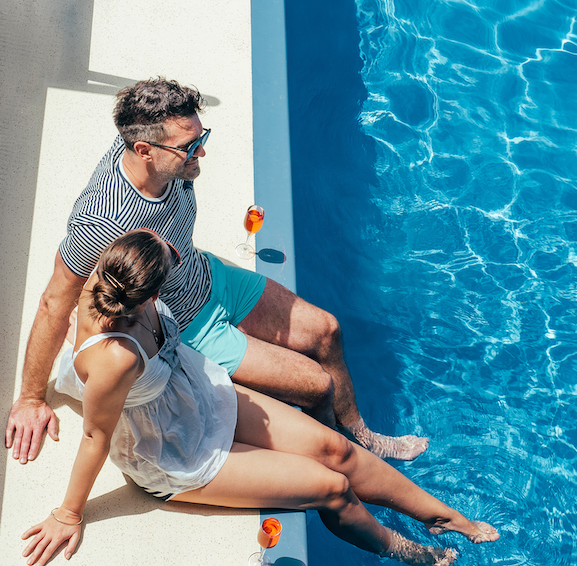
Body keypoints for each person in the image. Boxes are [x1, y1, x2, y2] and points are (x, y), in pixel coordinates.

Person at [6, 77, 427, 465]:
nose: (201, 152)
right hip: (187, 326)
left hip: (208, 276)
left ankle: (361, 435)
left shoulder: (164, 157)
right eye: (190, 147)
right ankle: (340, 454)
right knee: (317, 385)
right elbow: (53, 302)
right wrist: (28, 398)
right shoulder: (102, 225)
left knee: (327, 330)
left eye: (200, 137)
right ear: (142, 150)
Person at [20, 229, 498, 566]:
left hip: (194, 392)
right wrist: (68, 513)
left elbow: (88, 313)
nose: (177, 256)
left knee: (336, 449)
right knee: (330, 486)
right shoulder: (115, 359)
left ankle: (441, 516)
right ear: (146, 297)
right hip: (171, 448)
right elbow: (95, 436)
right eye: (170, 265)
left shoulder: (113, 275)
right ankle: (410, 552)